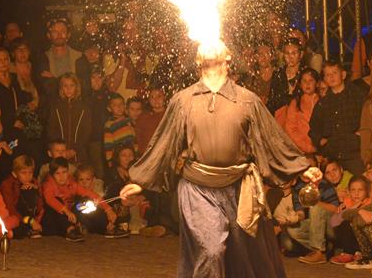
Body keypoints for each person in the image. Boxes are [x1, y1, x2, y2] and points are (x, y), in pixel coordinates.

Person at [119, 42, 322, 278]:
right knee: (211, 250)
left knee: (243, 257)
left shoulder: (247, 100)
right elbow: (165, 142)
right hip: (197, 188)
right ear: (197, 60)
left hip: (238, 188)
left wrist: (300, 168)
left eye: (217, 43)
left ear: (228, 58)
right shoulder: (183, 100)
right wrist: (140, 181)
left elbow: (270, 139)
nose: (211, 43)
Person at [41, 156, 122, 241]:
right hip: (52, 219)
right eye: (57, 173)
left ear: (68, 171)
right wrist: (66, 210)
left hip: (70, 216)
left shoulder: (71, 182)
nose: (61, 176)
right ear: (52, 174)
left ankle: (107, 226)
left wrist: (107, 209)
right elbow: (50, 200)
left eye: (64, 172)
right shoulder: (48, 184)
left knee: (86, 201)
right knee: (57, 201)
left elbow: (90, 194)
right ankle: (70, 230)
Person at [309, 60, 367, 175]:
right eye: (327, 74)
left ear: (343, 75)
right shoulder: (323, 103)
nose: (331, 77)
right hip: (333, 155)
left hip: (354, 153)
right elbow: (313, 128)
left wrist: (361, 134)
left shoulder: (357, 95)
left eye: (334, 73)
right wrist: (321, 141)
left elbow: (367, 117)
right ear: (324, 79)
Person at [37, 18, 90, 101]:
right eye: (55, 32)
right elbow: (46, 88)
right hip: (53, 108)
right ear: (48, 35)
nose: (59, 35)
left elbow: (85, 86)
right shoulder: (43, 58)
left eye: (63, 31)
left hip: (76, 106)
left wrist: (55, 80)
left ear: (68, 34)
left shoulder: (79, 57)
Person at [47, 73, 92, 164]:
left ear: (77, 87)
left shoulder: (83, 108)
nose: (68, 89)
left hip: (78, 154)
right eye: (65, 86)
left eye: (72, 85)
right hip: (59, 153)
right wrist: (61, 151)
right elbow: (51, 130)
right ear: (61, 88)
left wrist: (74, 150)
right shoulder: (56, 107)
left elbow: (86, 132)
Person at [275, 68, 320, 155]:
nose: (307, 84)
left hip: (319, 148)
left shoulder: (322, 101)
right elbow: (290, 129)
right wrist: (308, 147)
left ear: (317, 83)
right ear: (300, 84)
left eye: (311, 80)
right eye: (304, 81)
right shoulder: (295, 103)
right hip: (300, 149)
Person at [0, 154, 43, 238]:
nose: (28, 176)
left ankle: (30, 229)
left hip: (30, 216)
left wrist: (36, 190)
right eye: (23, 173)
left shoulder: (33, 182)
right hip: (15, 216)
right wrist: (30, 221)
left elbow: (40, 206)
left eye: (30, 172)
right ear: (15, 173)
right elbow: (10, 208)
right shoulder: (7, 184)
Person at [329, 176, 370, 265]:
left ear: (366, 191)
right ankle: (348, 253)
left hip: (363, 237)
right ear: (349, 192)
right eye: (353, 190)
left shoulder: (368, 202)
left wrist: (355, 211)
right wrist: (347, 210)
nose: (356, 193)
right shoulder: (347, 202)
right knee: (343, 223)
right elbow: (333, 223)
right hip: (348, 237)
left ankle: (359, 252)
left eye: (360, 190)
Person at [267, 38, 304, 113]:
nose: (290, 57)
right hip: (280, 117)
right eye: (287, 53)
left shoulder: (305, 74)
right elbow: (272, 101)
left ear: (301, 54)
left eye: (294, 53)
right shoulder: (278, 74)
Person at [103, 93, 137, 164]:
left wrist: (136, 152)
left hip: (131, 155)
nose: (119, 107)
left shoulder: (128, 120)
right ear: (109, 108)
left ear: (125, 106)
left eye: (121, 104)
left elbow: (134, 138)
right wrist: (109, 161)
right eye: (115, 105)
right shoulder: (109, 125)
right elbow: (108, 145)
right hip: (119, 157)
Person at [134, 87, 166, 154]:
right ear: (148, 100)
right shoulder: (143, 117)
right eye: (152, 97)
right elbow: (138, 139)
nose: (155, 99)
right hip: (147, 155)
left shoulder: (171, 115)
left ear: (165, 97)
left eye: (159, 96)